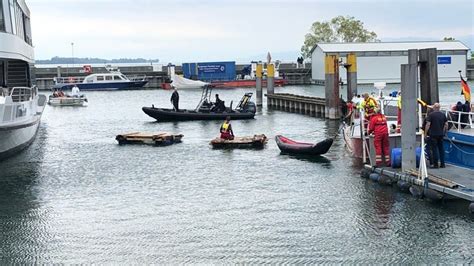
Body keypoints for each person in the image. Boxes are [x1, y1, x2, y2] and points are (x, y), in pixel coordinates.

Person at [425, 103, 448, 168]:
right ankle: (442, 164)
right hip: (441, 134)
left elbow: (428, 125)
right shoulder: (443, 115)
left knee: (434, 149)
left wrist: (426, 134)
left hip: (433, 135)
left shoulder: (431, 115)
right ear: (439, 108)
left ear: (434, 108)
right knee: (441, 149)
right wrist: (445, 132)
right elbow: (446, 124)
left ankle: (435, 164)